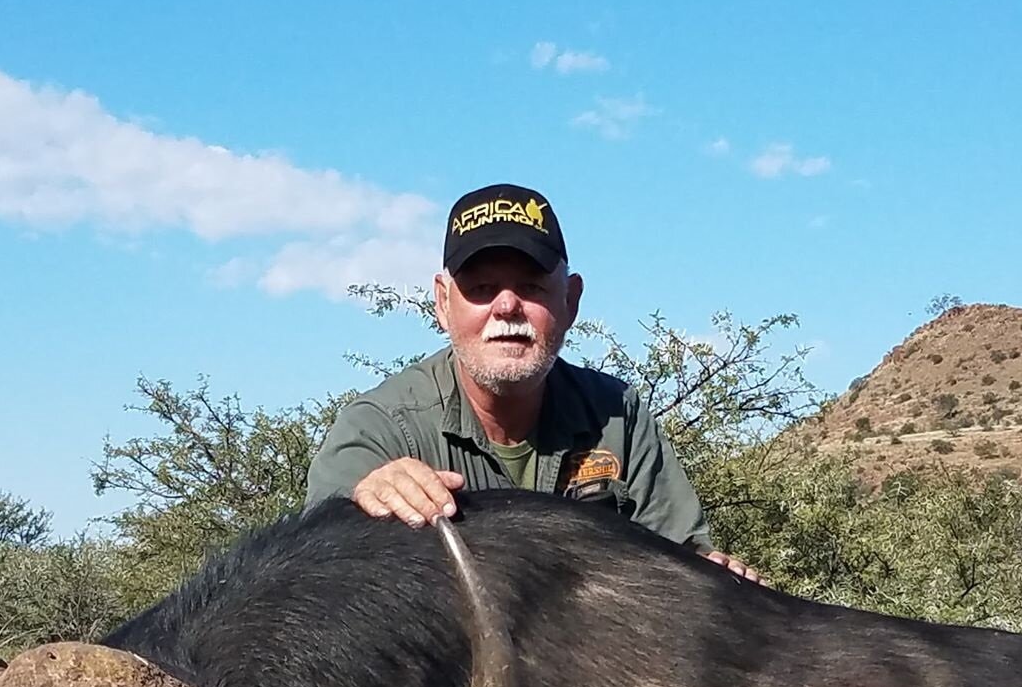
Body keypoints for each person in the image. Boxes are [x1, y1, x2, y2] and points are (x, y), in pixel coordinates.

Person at [305, 183, 759, 580]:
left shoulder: (620, 414)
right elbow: (315, 584)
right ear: (442, 303)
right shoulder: (377, 430)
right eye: (481, 288)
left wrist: (717, 581)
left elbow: (686, 563)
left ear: (571, 299)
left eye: (532, 287)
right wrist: (366, 494)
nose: (506, 307)